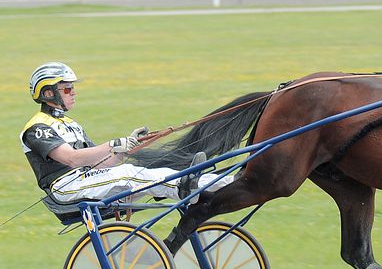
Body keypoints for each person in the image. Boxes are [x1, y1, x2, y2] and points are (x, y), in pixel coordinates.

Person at [20, 62, 232, 205]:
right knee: (129, 173)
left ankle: (226, 182)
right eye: (67, 89)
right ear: (48, 93)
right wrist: (114, 144)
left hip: (87, 178)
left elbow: (100, 163)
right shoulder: (36, 128)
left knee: (143, 170)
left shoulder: (70, 124)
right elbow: (72, 159)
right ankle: (187, 187)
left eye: (72, 88)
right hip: (66, 187)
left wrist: (131, 146)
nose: (73, 92)